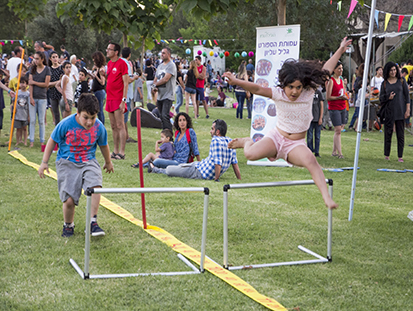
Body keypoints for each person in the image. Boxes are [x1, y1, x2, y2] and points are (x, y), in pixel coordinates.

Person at [223, 37, 353, 210]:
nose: (294, 91)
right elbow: (257, 88)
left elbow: (326, 70)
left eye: (298, 87)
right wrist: (236, 81)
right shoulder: (278, 93)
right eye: (291, 87)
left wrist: (340, 50)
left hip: (295, 144)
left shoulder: (309, 91)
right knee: (250, 155)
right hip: (277, 138)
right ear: (284, 85)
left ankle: (327, 198)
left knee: (311, 161)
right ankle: (247, 141)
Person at [38, 93, 114, 237]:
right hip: (67, 162)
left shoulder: (99, 127)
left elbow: (103, 145)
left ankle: (93, 222)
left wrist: (108, 162)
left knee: (95, 187)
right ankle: (68, 225)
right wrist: (44, 162)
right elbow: (52, 141)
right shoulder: (66, 124)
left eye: (93, 118)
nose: (89, 122)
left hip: (88, 161)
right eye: (86, 117)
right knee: (69, 200)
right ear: (78, 113)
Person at [148, 119, 241, 182]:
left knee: (170, 170)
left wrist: (216, 179)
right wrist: (239, 179)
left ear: (217, 132)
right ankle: (153, 164)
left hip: (199, 172)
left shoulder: (216, 140)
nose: (210, 131)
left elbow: (218, 163)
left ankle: (154, 169)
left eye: (212, 129)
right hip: (199, 165)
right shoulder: (230, 141)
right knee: (180, 166)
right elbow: (234, 163)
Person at [379, 61, 410, 162]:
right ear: (387, 71)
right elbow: (381, 98)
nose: (393, 72)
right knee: (388, 133)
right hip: (389, 111)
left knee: (400, 134)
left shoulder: (401, 81)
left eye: (394, 70)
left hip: (400, 110)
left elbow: (407, 95)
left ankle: (400, 156)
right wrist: (389, 97)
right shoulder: (384, 83)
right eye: (391, 70)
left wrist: (408, 109)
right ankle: (387, 154)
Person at [105, 42, 128, 160]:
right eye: (107, 49)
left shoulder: (122, 64)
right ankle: (115, 150)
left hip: (118, 98)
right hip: (109, 98)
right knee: (113, 125)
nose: (107, 51)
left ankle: (122, 152)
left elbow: (126, 82)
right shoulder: (109, 63)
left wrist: (123, 100)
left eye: (109, 49)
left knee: (120, 125)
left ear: (116, 52)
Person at [28, 51, 51, 149]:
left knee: (41, 121)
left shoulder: (47, 70)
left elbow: (46, 84)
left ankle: (42, 141)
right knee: (32, 120)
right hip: (34, 98)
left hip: (42, 98)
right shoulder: (32, 69)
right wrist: (31, 97)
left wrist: (34, 82)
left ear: (42, 59)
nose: (35, 60)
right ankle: (31, 141)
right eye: (34, 58)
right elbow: (30, 84)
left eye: (37, 58)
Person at [152, 47, 176, 130]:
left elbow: (165, 79)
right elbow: (156, 78)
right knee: (161, 117)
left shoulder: (171, 65)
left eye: (164, 53)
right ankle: (165, 136)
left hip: (168, 95)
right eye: (161, 53)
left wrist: (155, 85)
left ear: (168, 54)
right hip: (160, 95)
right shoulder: (160, 66)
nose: (161, 54)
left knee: (165, 115)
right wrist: (154, 86)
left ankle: (169, 137)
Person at [326, 61, 347, 158]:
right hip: (334, 108)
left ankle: (334, 151)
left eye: (341, 68)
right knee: (338, 130)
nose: (341, 70)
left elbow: (343, 92)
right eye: (339, 68)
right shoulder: (331, 81)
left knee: (339, 129)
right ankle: (340, 153)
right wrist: (339, 98)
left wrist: (346, 96)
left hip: (342, 106)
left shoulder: (341, 80)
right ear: (334, 70)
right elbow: (328, 97)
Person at [120, 47, 139, 143]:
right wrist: (135, 77)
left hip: (122, 94)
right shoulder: (126, 64)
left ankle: (126, 136)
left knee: (124, 118)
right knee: (124, 118)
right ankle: (124, 137)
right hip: (126, 94)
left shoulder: (119, 62)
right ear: (130, 55)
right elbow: (127, 80)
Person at [12, 76, 30, 146]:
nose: (22, 85)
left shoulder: (28, 94)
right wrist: (14, 108)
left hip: (25, 113)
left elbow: (28, 105)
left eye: (24, 83)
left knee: (25, 128)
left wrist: (28, 115)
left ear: (27, 84)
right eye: (21, 83)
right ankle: (18, 141)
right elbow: (13, 101)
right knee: (18, 128)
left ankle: (25, 141)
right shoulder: (17, 92)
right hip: (18, 114)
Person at [307, 87, 324, 157]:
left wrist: (320, 118)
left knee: (317, 136)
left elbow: (322, 105)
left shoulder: (319, 93)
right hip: (309, 119)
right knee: (309, 136)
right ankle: (310, 151)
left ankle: (317, 152)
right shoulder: (307, 93)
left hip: (317, 118)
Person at [48, 51, 63, 125]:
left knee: (63, 114)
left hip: (61, 93)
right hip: (52, 94)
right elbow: (47, 84)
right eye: (53, 57)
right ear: (50, 59)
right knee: (56, 115)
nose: (55, 59)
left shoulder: (61, 68)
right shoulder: (49, 70)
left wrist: (54, 83)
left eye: (56, 57)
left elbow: (63, 81)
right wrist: (58, 82)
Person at [91, 51, 106, 124]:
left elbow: (102, 82)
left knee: (100, 111)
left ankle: (101, 124)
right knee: (98, 110)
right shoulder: (97, 68)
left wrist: (96, 75)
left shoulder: (101, 69)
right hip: (96, 91)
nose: (93, 61)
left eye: (94, 59)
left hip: (99, 91)